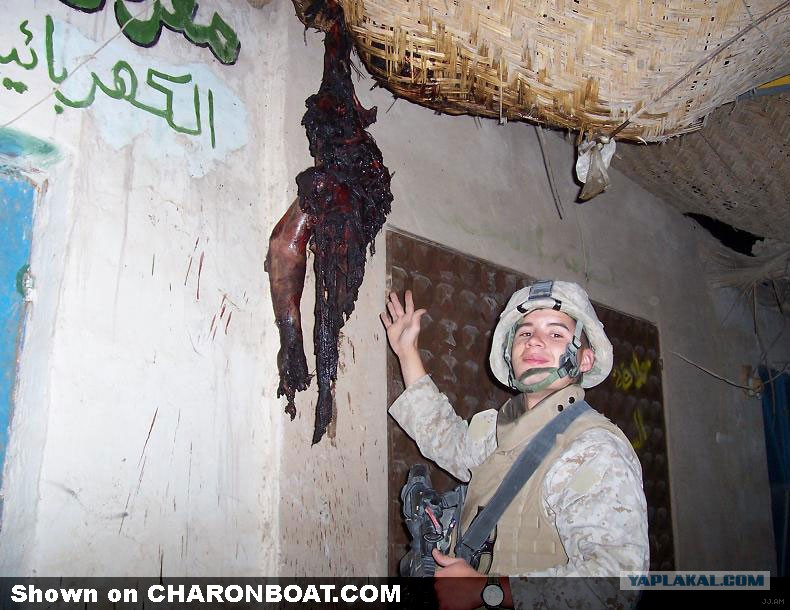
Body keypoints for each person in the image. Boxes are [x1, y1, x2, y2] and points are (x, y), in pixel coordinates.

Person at [381, 280, 649, 609]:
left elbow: (614, 586)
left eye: (556, 334)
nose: (534, 340)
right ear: (510, 354)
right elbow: (446, 439)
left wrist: (488, 590)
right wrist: (407, 351)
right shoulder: (504, 430)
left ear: (585, 360)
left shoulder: (592, 448)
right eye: (525, 333)